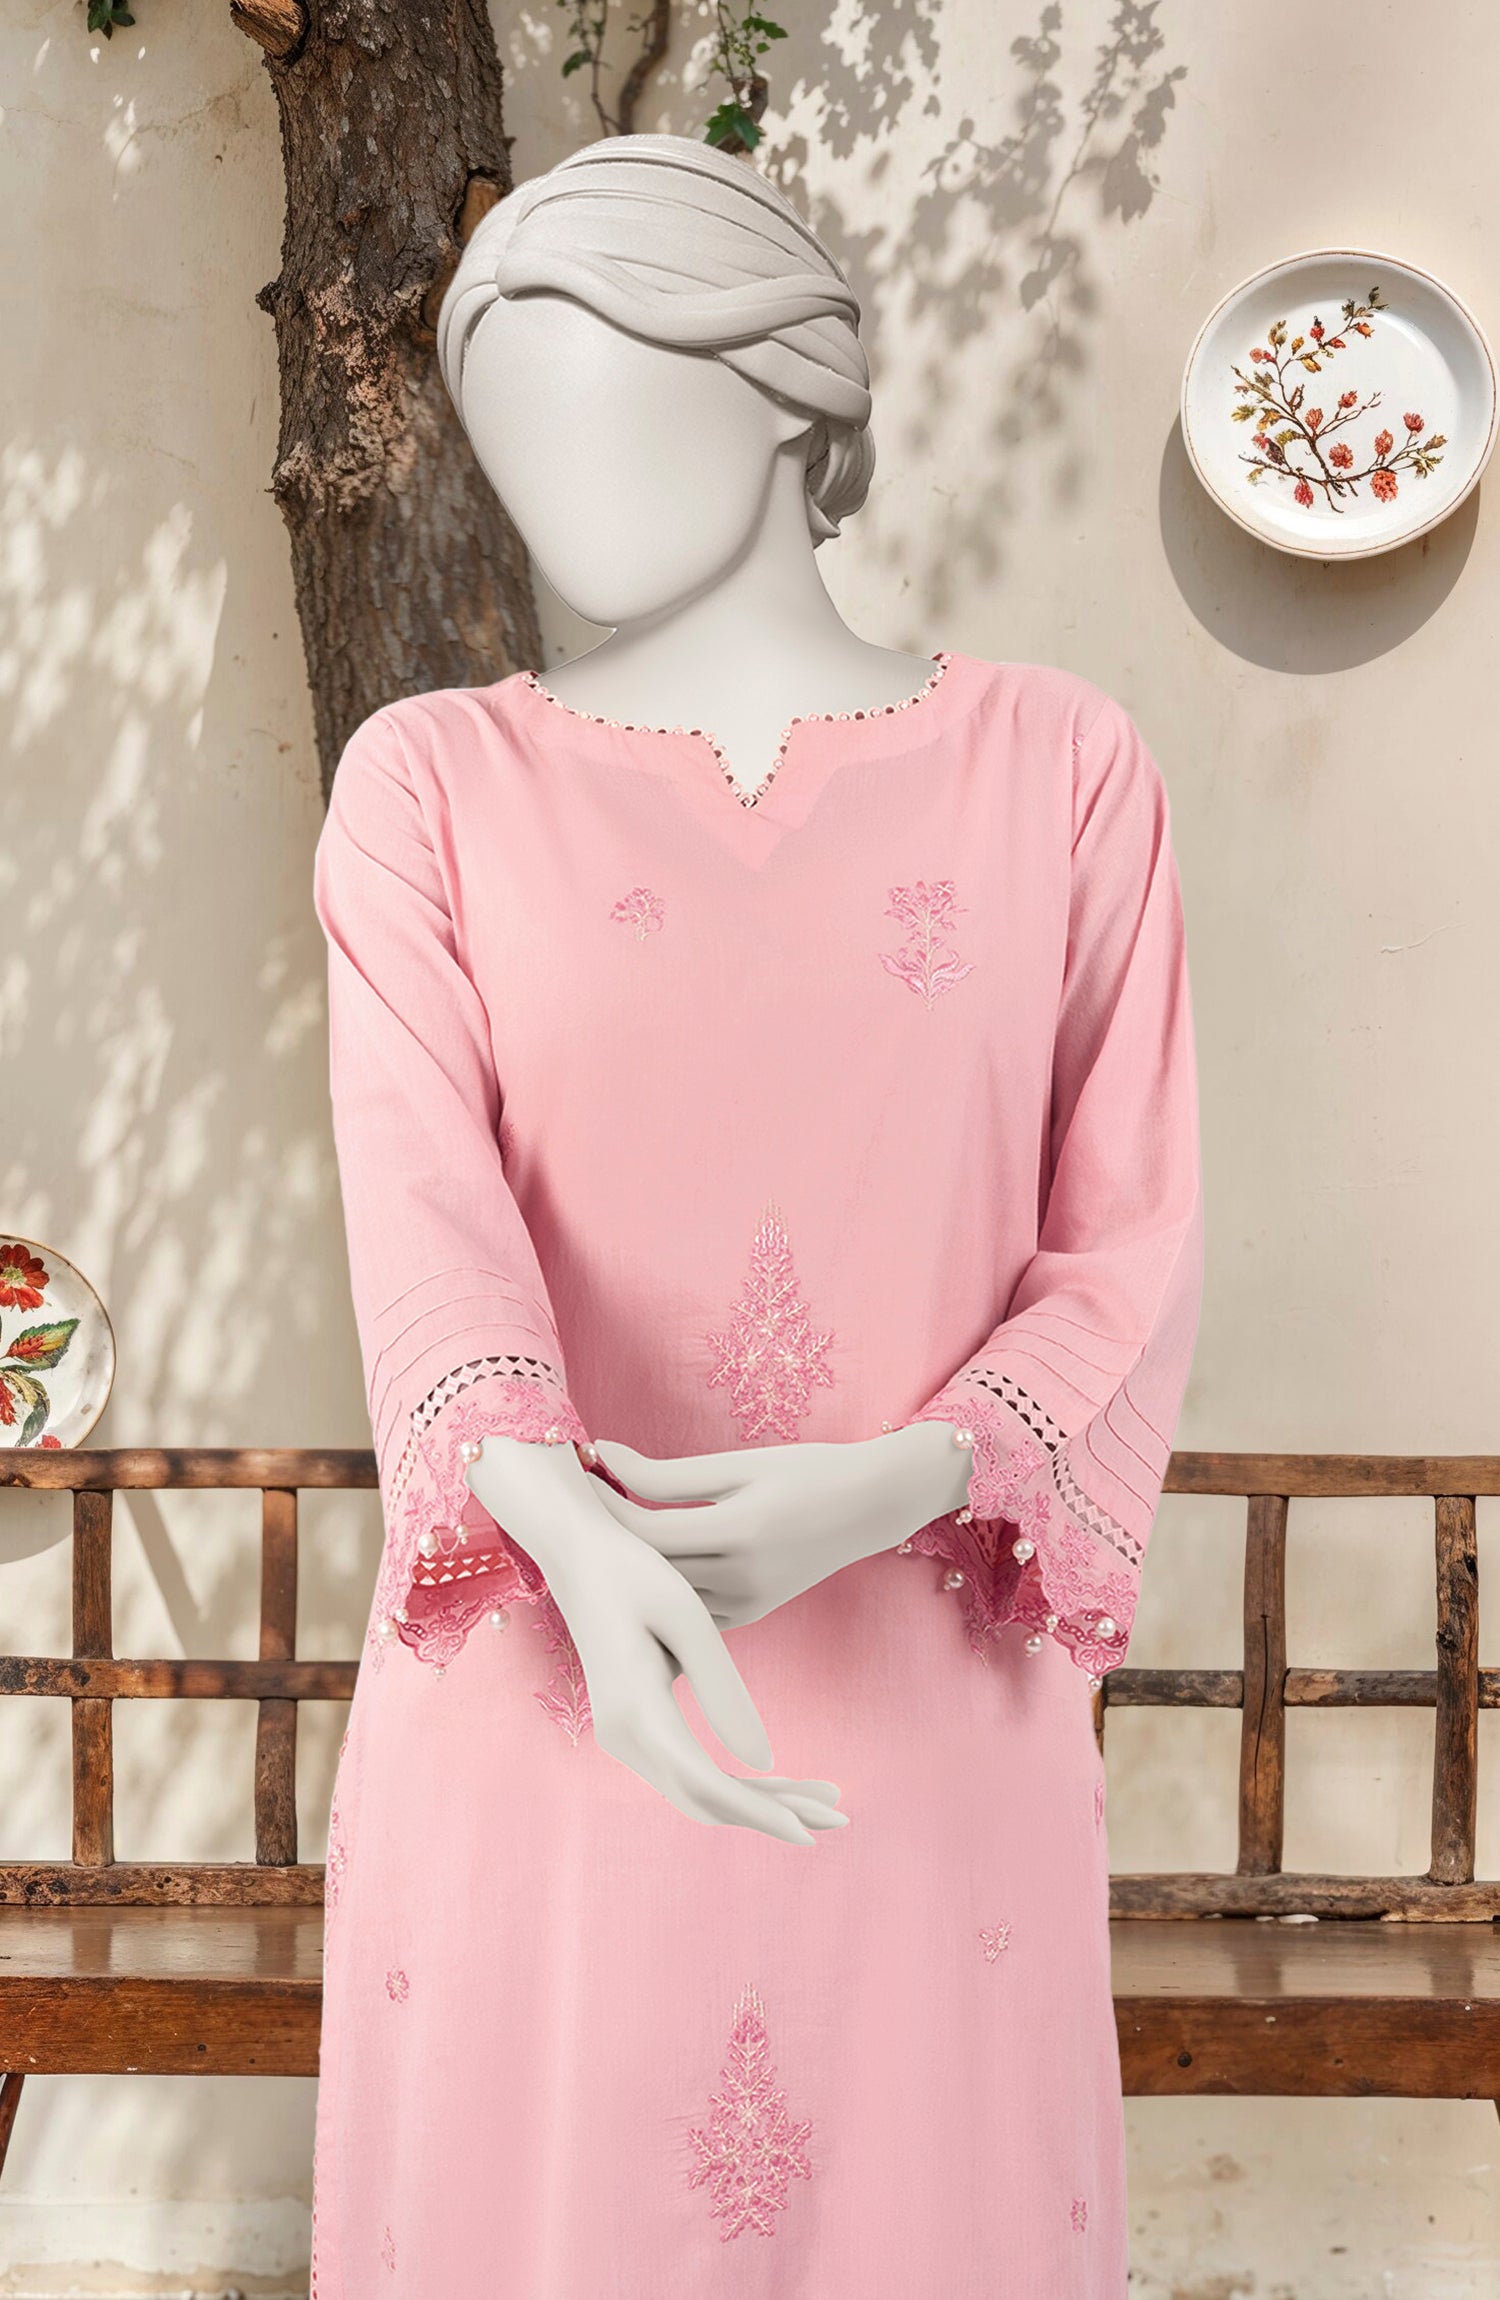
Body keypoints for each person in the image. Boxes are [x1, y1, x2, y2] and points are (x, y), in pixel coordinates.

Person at [308, 132, 1203, 2299]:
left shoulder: (1064, 771)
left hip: (932, 1713)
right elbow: (424, 1214)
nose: (559, 483)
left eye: (610, 397)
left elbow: (1128, 1240)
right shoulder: (429, 785)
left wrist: (915, 1474)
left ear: (789, 387)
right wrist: (561, 1514)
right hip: (548, 1693)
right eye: (512, 431)